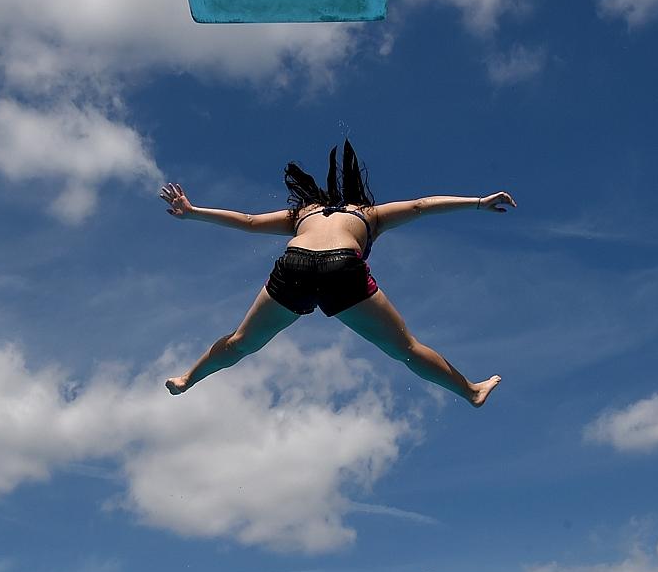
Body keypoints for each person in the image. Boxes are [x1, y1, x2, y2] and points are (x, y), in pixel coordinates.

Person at [159, 140, 515, 407]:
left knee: (240, 342)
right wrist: (479, 202)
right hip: (342, 267)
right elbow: (421, 206)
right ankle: (470, 390)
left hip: (294, 264)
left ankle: (188, 378)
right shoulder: (368, 213)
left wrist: (193, 212)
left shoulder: (303, 213)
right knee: (406, 349)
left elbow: (249, 222)